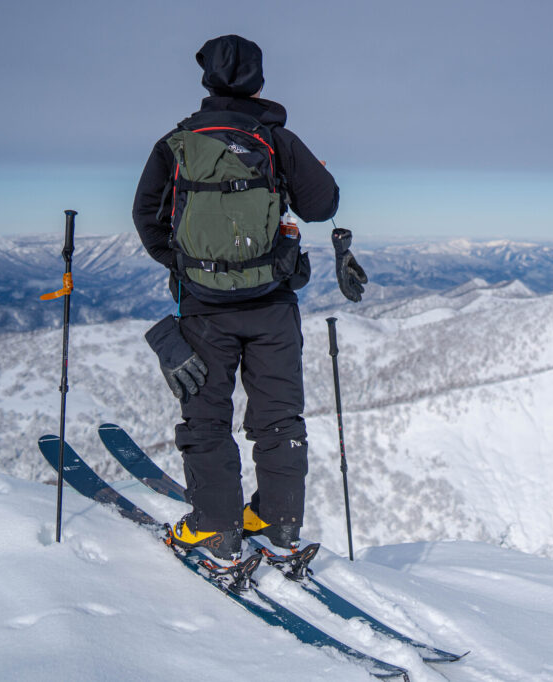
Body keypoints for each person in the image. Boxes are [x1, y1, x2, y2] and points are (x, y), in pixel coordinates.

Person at [132, 35, 368, 560]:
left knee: (207, 417)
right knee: (279, 417)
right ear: (259, 82)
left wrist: (184, 265)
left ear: (206, 81)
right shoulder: (276, 138)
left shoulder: (177, 142)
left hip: (203, 308)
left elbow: (146, 214)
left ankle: (215, 528)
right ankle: (276, 524)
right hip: (273, 303)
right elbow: (322, 203)